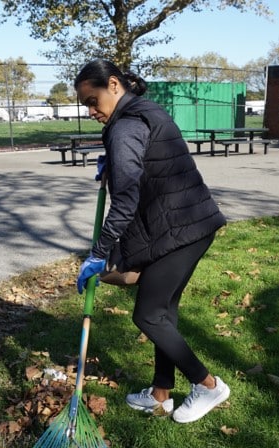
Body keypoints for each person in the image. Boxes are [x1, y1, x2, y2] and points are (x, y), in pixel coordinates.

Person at [74, 59, 229, 424]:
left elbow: (126, 198)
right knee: (163, 313)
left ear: (114, 85)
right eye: (85, 106)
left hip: (181, 230)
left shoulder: (125, 126)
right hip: (188, 223)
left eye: (92, 101)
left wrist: (99, 253)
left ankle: (208, 385)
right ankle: (160, 396)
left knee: (147, 315)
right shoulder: (143, 110)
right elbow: (143, 165)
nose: (91, 111)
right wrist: (114, 163)